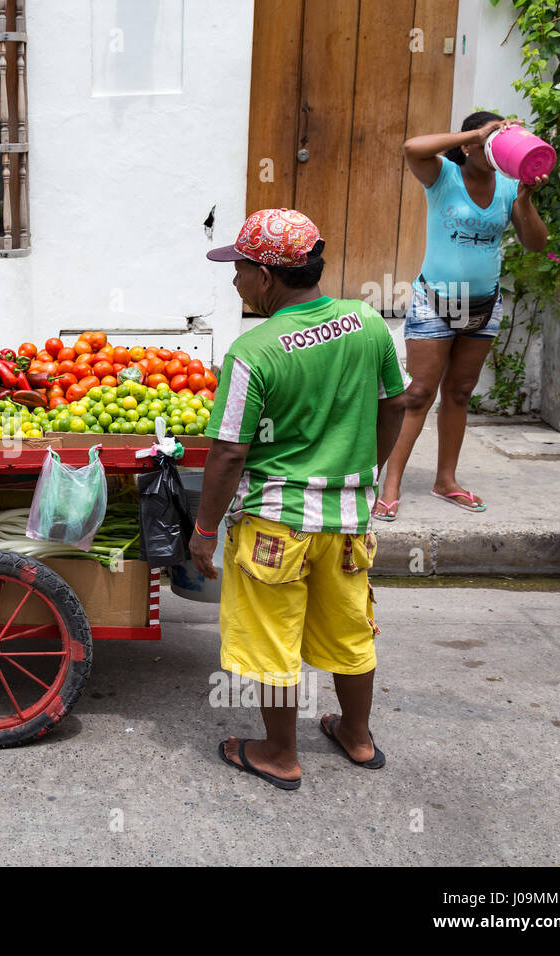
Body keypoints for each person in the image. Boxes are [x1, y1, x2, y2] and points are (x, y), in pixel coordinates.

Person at [191, 208, 410, 791]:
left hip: (275, 525)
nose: (235, 281)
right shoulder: (367, 324)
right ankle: (358, 738)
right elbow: (396, 405)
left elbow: (229, 453)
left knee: (272, 639)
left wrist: (205, 529)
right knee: (350, 630)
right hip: (347, 521)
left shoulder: (253, 351)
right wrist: (367, 469)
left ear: (266, 276)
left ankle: (280, 754)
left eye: (239, 269)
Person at [373, 111, 548, 520]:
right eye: (491, 142)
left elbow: (536, 244)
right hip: (436, 302)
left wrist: (524, 200)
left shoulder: (508, 187)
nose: (498, 148)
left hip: (484, 307)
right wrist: (477, 134)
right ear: (469, 146)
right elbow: (411, 147)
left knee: (459, 393)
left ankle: (445, 481)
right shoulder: (443, 177)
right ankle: (390, 484)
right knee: (418, 395)